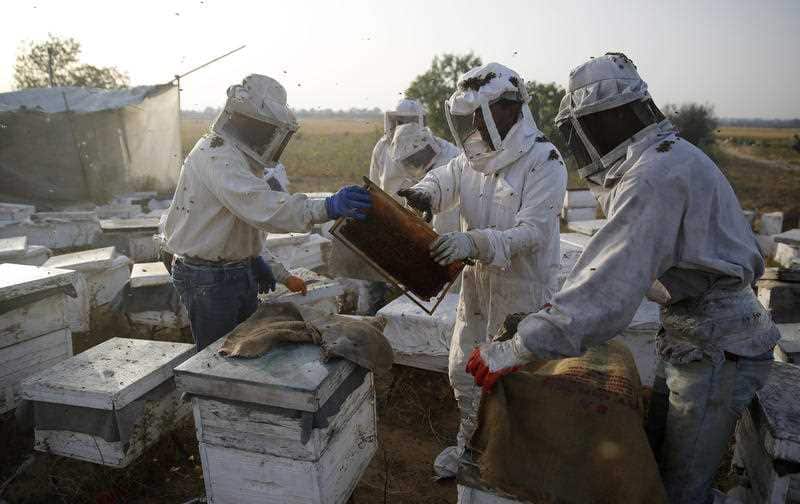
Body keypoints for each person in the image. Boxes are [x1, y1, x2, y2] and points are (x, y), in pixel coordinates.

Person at [466, 53, 779, 504]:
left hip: (718, 348)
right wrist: (562, 307)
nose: (582, 141)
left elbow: (608, 288)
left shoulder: (653, 175)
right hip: (700, 336)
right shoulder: (666, 158)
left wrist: (518, 347)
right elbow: (635, 272)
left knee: (678, 489)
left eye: (584, 126)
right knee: (661, 461)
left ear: (612, 116)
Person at [398, 62, 567, 478]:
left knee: (515, 381)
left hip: (523, 290)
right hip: (478, 283)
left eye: (480, 112)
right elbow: (446, 176)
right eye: (469, 114)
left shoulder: (545, 159)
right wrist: (425, 193)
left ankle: (515, 463)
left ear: (509, 108)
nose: (473, 123)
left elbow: (533, 232)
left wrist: (474, 241)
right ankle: (470, 452)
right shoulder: (474, 153)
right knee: (465, 369)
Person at [162, 74, 372, 352]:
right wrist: (328, 206)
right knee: (219, 359)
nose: (269, 136)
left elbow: (246, 223)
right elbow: (264, 208)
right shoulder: (216, 155)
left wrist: (263, 262)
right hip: (207, 279)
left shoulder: (240, 159)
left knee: (247, 350)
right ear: (245, 120)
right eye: (267, 128)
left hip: (233, 271)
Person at [388, 122, 460, 233]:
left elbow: (446, 228)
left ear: (423, 149)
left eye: (412, 159)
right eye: (408, 161)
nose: (412, 163)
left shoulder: (448, 162)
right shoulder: (437, 149)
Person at [369, 99, 425, 197]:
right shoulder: (382, 146)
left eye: (409, 121)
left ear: (417, 121)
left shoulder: (427, 146)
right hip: (388, 208)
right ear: (393, 121)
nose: (405, 125)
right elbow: (374, 184)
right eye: (401, 121)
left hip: (416, 209)